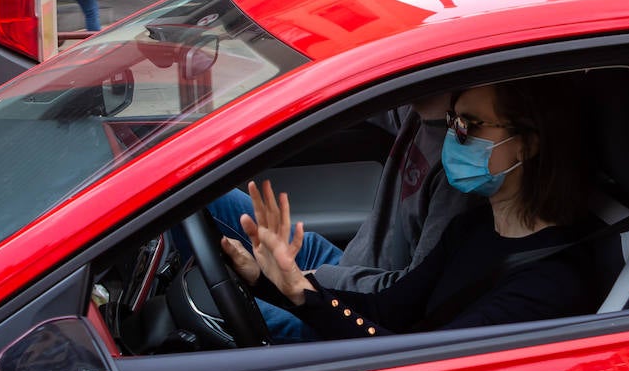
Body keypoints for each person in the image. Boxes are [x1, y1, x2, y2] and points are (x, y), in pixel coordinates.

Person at [225, 76, 599, 339]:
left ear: (528, 143)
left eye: (469, 126)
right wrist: (275, 283)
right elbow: (392, 308)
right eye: (453, 122)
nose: (453, 137)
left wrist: (301, 292)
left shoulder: (548, 283)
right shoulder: (476, 225)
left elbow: (415, 359)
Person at [208, 93, 472, 339]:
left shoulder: (460, 173)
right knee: (206, 197)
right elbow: (349, 89)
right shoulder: (418, 112)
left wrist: (303, 280)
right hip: (339, 264)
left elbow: (406, 300)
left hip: (359, 302)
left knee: (212, 312)